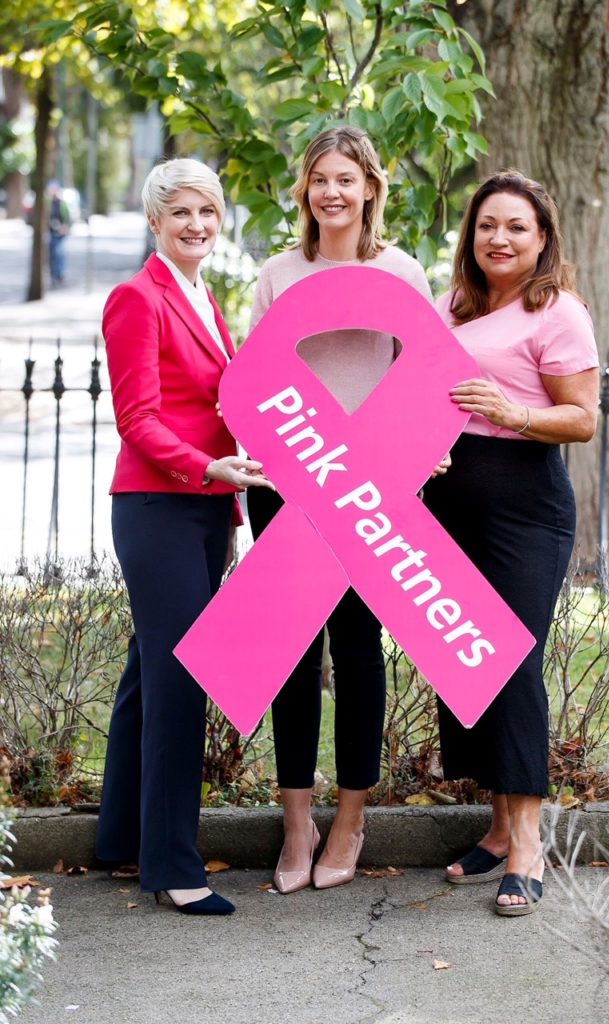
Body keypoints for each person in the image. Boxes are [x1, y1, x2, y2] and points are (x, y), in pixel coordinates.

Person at [247, 126, 444, 894]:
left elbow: (421, 376)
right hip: (289, 487)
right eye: (318, 179)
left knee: (358, 655)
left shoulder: (401, 272)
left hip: (371, 489)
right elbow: (258, 378)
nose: (331, 192)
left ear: (370, 187)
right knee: (292, 657)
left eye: (345, 178)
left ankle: (351, 819)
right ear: (304, 190)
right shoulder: (276, 274)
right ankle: (296, 823)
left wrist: (412, 459)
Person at [96, 158, 273, 916]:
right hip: (159, 506)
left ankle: (121, 840)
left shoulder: (202, 294)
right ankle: (172, 866)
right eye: (181, 214)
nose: (197, 224)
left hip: (205, 506)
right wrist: (207, 467)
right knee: (179, 683)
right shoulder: (137, 298)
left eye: (207, 210)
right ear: (155, 222)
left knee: (148, 674)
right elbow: (137, 420)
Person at [422, 169, 599, 916]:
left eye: (516, 227)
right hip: (448, 505)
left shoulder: (555, 310)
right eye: (487, 225)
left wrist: (514, 411)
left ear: (541, 239)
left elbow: (583, 417)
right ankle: (495, 828)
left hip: (523, 507)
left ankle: (527, 842)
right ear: (471, 235)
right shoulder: (452, 306)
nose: (499, 238)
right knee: (468, 662)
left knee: (513, 660)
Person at [47, 181, 70, 285]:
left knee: (59, 254)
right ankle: (53, 274)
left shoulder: (62, 204)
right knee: (51, 255)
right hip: (50, 232)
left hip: (59, 233)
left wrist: (64, 228)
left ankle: (60, 274)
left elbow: (67, 219)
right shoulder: (48, 203)